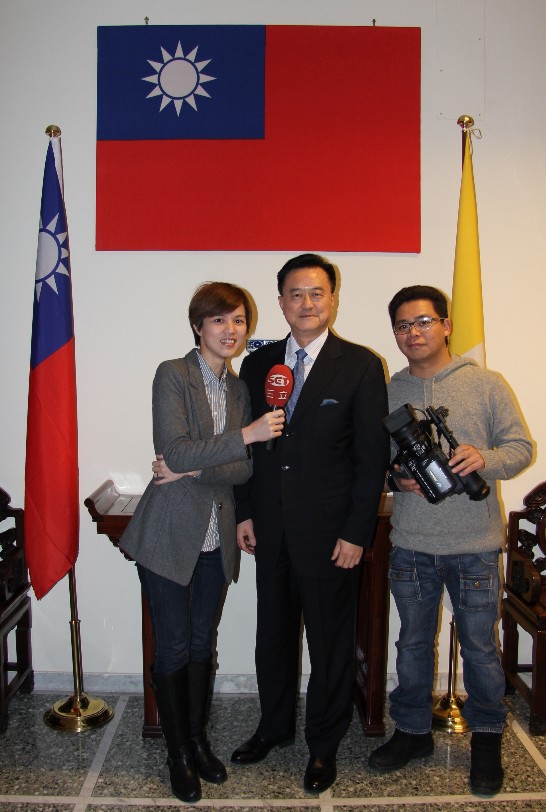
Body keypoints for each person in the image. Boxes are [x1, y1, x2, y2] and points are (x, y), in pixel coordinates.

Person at [120, 282, 284, 804]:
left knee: (200, 643)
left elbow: (241, 469)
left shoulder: (238, 389)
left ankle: (196, 741)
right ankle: (177, 755)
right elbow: (173, 448)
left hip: (218, 534)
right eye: (219, 320)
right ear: (198, 326)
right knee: (172, 645)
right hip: (168, 533)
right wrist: (244, 437)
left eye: (238, 320)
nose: (230, 330)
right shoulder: (173, 374)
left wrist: (193, 465)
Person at [231, 253, 389, 793]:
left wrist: (356, 533)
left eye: (317, 292)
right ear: (280, 302)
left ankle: (323, 745)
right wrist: (245, 511)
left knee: (329, 644)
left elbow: (371, 459)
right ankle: (273, 728)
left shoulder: (361, 365)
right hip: (270, 528)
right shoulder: (258, 364)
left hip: (330, 535)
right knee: (272, 637)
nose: (307, 303)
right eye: (295, 294)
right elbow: (248, 448)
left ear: (333, 299)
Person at [368, 285, 533, 796]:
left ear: (445, 325)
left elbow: (522, 448)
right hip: (412, 542)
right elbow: (369, 462)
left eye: (423, 322)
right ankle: (412, 731)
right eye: (402, 326)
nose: (412, 333)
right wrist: (396, 479)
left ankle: (486, 738)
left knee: (480, 649)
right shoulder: (387, 392)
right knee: (412, 644)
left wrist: (485, 458)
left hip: (475, 544)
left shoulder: (485, 384)